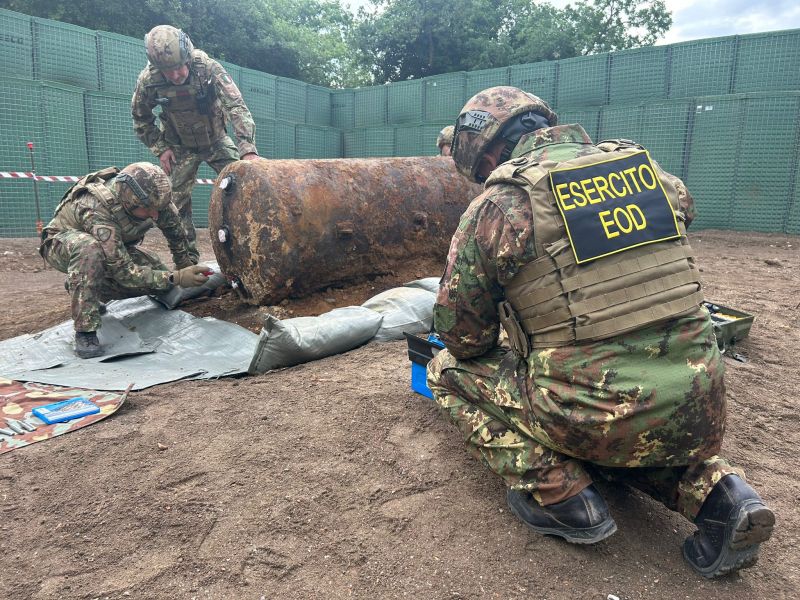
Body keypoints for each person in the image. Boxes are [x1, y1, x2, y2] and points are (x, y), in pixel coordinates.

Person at [427, 86, 775, 578]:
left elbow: (462, 337)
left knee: (445, 369)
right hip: (699, 398)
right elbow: (679, 217)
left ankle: (561, 496)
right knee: (640, 423)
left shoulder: (502, 205)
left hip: (590, 412)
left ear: (486, 152)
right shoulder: (650, 175)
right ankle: (724, 498)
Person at [39, 163, 211, 359]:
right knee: (89, 250)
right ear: (129, 202)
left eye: (158, 209)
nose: (155, 215)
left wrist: (185, 266)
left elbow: (175, 233)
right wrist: (176, 277)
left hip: (109, 245)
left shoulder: (153, 200)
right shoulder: (97, 207)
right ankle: (85, 330)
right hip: (62, 245)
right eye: (149, 210)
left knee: (157, 276)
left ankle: (89, 285)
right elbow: (124, 273)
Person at [131, 25, 260, 262]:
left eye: (180, 67)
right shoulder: (149, 81)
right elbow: (140, 118)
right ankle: (186, 261)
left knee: (248, 185)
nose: (176, 75)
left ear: (189, 57)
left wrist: (247, 150)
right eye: (168, 71)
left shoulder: (208, 68)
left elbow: (236, 107)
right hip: (179, 146)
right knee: (174, 204)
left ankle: (255, 248)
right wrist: (161, 148)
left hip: (216, 141)